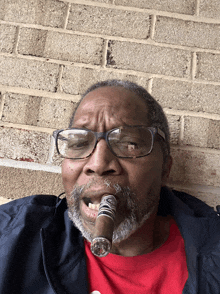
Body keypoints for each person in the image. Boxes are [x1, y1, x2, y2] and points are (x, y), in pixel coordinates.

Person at [0, 80, 220, 294]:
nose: (98, 164)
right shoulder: (10, 235)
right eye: (79, 143)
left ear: (164, 169)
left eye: (129, 143)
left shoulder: (213, 257)